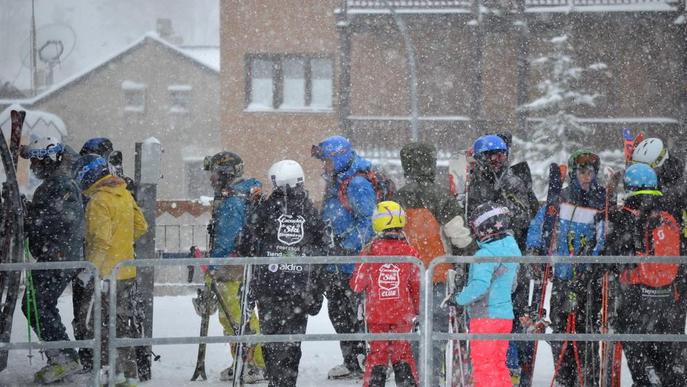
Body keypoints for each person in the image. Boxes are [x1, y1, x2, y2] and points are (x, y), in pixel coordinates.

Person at [392, 142, 473, 386]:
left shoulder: (397, 199)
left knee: (410, 330)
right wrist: (469, 254)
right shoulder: (442, 197)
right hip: (438, 275)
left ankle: (412, 377)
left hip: (405, 278)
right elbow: (459, 236)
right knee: (436, 333)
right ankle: (433, 376)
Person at [239, 160, 325, 387]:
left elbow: (246, 242)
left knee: (271, 339)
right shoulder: (310, 211)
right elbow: (321, 249)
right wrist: (317, 288)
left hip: (270, 287)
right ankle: (286, 381)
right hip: (299, 289)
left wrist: (253, 208)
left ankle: (276, 379)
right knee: (293, 342)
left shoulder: (266, 210)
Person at [466, 134, 539, 384]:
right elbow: (469, 218)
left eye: (501, 154)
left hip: (510, 256)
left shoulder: (513, 181)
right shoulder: (473, 184)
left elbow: (523, 217)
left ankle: (513, 367)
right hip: (484, 257)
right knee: (484, 315)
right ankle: (485, 369)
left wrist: (497, 214)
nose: (497, 160)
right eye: (491, 155)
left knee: (512, 313)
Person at [530, 149, 606, 386]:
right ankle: (564, 377)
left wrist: (592, 264)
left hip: (588, 281)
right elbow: (539, 225)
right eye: (582, 171)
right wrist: (534, 249)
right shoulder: (560, 199)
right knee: (561, 328)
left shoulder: (601, 200)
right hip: (563, 278)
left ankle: (588, 378)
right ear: (574, 173)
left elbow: (604, 237)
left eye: (591, 172)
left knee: (586, 331)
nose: (587, 176)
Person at [72, 154, 147, 386]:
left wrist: (89, 270)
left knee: (98, 325)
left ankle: (108, 373)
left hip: (104, 275)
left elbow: (101, 241)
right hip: (125, 272)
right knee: (122, 326)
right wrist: (122, 245)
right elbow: (141, 226)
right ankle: (130, 375)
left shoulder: (98, 201)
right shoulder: (123, 194)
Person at [605, 163, 683, 386]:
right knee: (663, 349)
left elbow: (614, 257)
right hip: (668, 296)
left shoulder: (627, 216)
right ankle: (666, 377)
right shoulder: (668, 215)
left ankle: (645, 377)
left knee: (634, 342)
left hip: (637, 294)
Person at [19, 137, 85, 383]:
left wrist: (30, 219)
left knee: (36, 304)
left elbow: (56, 222)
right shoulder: (58, 183)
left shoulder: (58, 186)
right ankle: (61, 355)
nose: (34, 166)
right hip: (57, 255)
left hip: (57, 257)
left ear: (50, 160)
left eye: (37, 160)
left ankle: (65, 358)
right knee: (39, 304)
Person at [311, 135, 376, 379]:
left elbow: (368, 223)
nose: (324, 166)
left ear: (338, 158)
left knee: (353, 314)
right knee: (339, 313)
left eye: (326, 161)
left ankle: (361, 361)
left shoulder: (357, 184)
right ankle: (351, 360)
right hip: (338, 263)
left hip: (352, 265)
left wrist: (345, 246)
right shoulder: (338, 181)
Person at [203, 151, 266, 383]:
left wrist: (213, 266)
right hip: (242, 266)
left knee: (235, 318)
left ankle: (251, 364)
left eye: (215, 174)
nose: (212, 179)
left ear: (226, 174)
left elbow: (225, 240)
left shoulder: (232, 202)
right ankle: (246, 360)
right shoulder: (243, 195)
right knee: (242, 316)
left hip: (231, 268)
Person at [631, 137, 687, 380]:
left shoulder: (676, 189)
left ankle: (673, 374)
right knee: (652, 322)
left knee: (671, 326)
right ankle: (656, 372)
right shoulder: (666, 184)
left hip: (676, 265)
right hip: (659, 265)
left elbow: (663, 205)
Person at [350, 200, 421, 387]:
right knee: (403, 354)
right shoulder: (411, 252)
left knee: (377, 355)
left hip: (377, 313)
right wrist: (418, 310)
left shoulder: (369, 252)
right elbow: (417, 286)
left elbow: (357, 285)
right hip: (403, 315)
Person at [454, 202, 520, 387]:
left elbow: (479, 286)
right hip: (505, 316)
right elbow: (513, 284)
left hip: (486, 318)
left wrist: (459, 299)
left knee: (483, 366)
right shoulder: (512, 248)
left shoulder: (485, 254)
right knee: (498, 364)